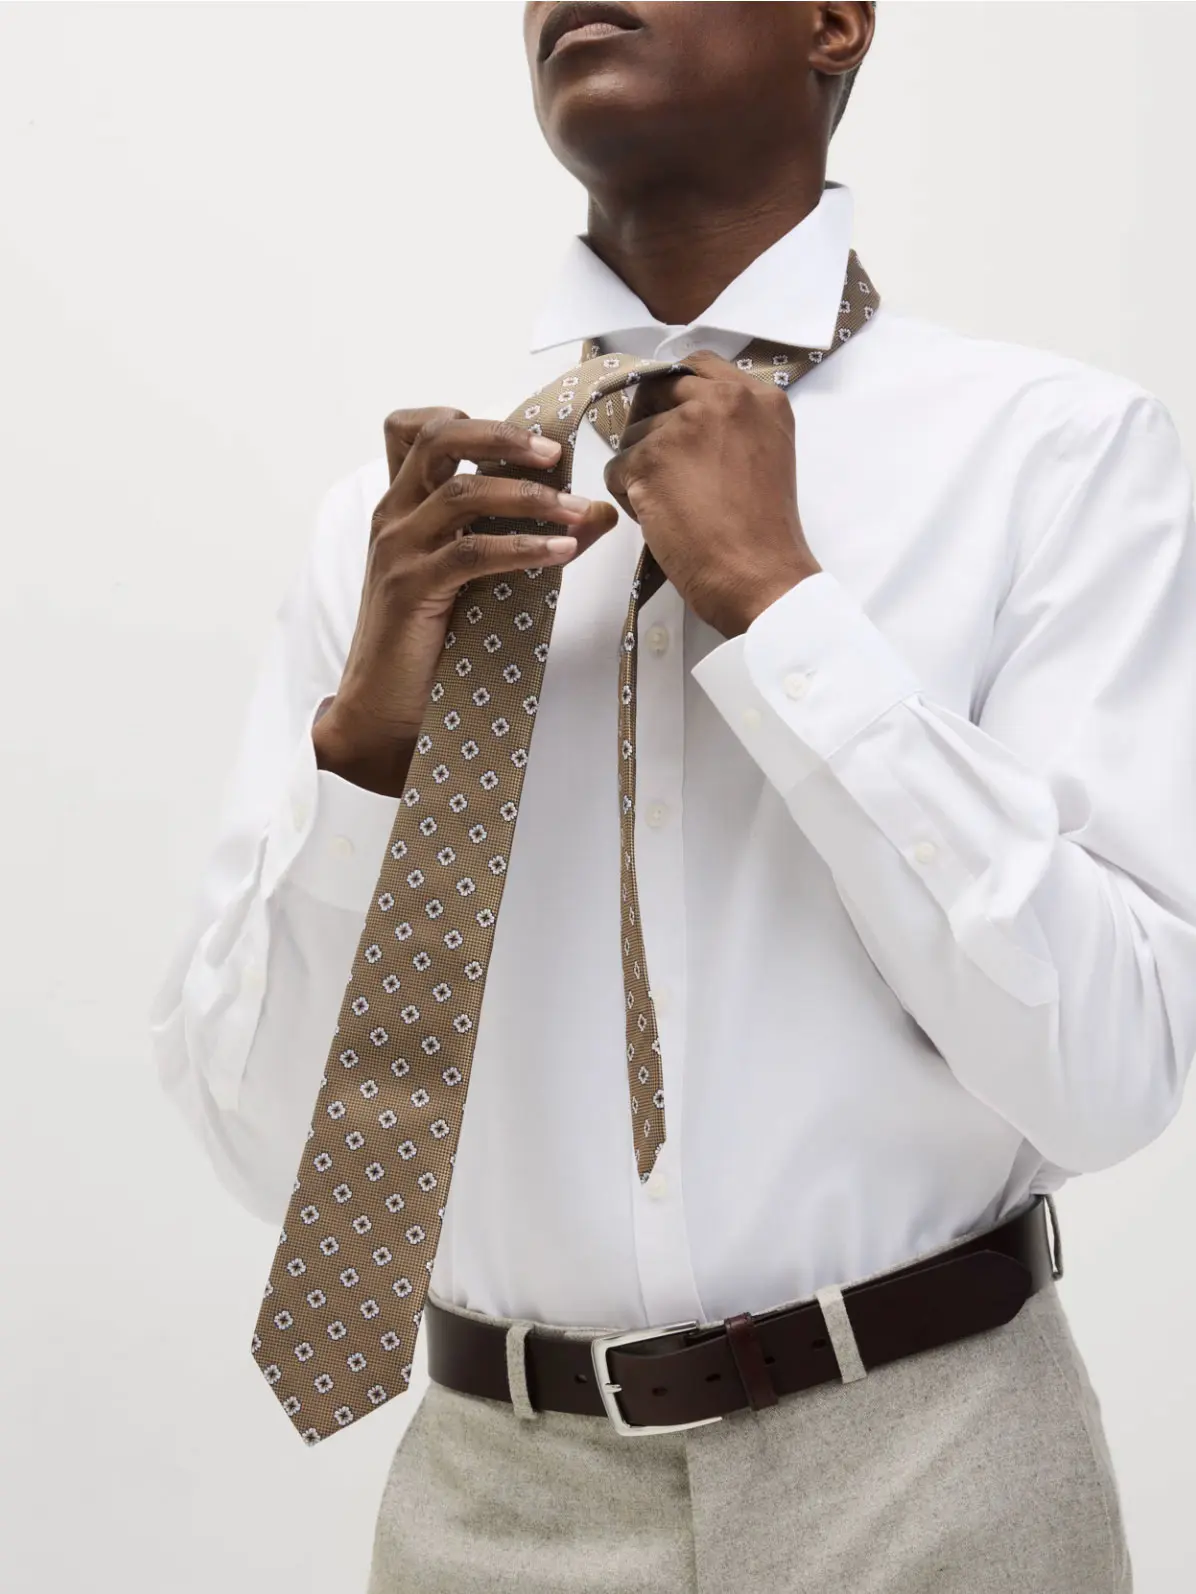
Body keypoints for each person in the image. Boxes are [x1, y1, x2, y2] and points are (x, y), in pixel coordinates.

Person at [150, 3, 1196, 1589]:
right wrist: (364, 747)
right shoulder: (396, 533)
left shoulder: (1056, 458)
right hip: (489, 1508)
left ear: (831, 22)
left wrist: (789, 615)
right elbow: (269, 1156)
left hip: (934, 1466)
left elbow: (1110, 1070)